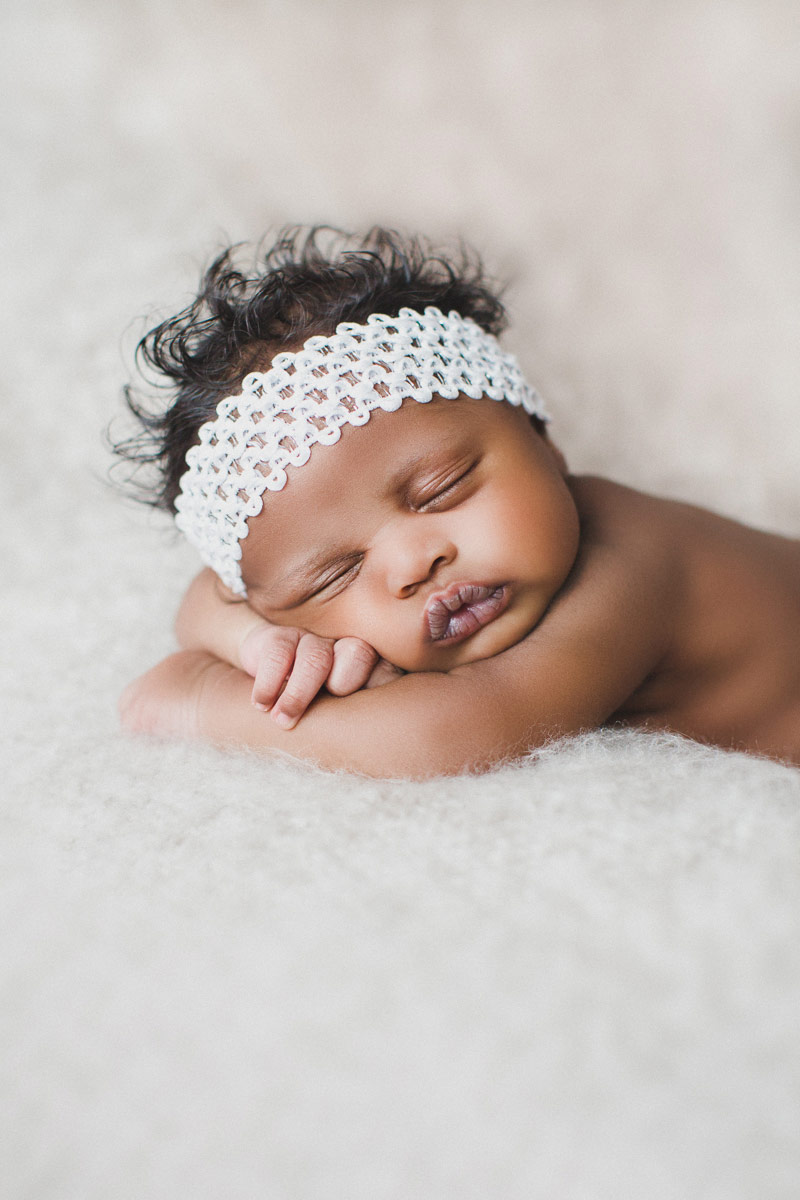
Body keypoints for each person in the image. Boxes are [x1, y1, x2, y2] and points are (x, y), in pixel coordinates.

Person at [114, 227, 800, 777]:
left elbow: (445, 735)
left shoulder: (631, 565)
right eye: (335, 573)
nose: (414, 563)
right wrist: (262, 643)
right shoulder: (280, 597)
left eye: (440, 490)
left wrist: (206, 697)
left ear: (544, 440)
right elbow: (214, 593)